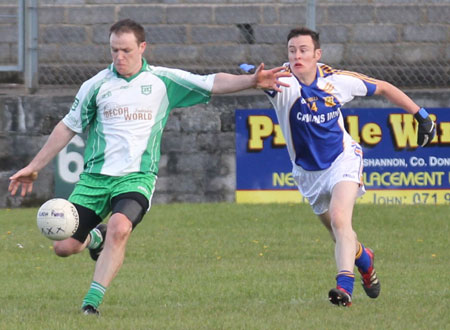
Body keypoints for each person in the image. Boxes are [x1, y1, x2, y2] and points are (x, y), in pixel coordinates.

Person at [8, 19, 291, 315]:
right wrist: (34, 166)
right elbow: (68, 127)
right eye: (114, 50)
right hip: (94, 180)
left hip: (136, 178)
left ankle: (91, 303)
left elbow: (211, 81)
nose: (119, 57)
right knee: (63, 247)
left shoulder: (161, 81)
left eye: (126, 50)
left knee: (120, 227)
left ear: (142, 47)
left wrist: (251, 81)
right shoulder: (96, 86)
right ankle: (96, 237)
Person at [247, 27, 435, 307]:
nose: (297, 55)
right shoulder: (282, 82)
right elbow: (257, 81)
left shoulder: (337, 81)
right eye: (291, 50)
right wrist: (254, 78)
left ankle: (344, 287)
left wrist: (421, 115)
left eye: (303, 50)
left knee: (339, 218)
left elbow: (382, 86)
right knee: (339, 232)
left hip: (342, 160)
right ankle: (364, 259)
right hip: (307, 173)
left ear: (317, 54)